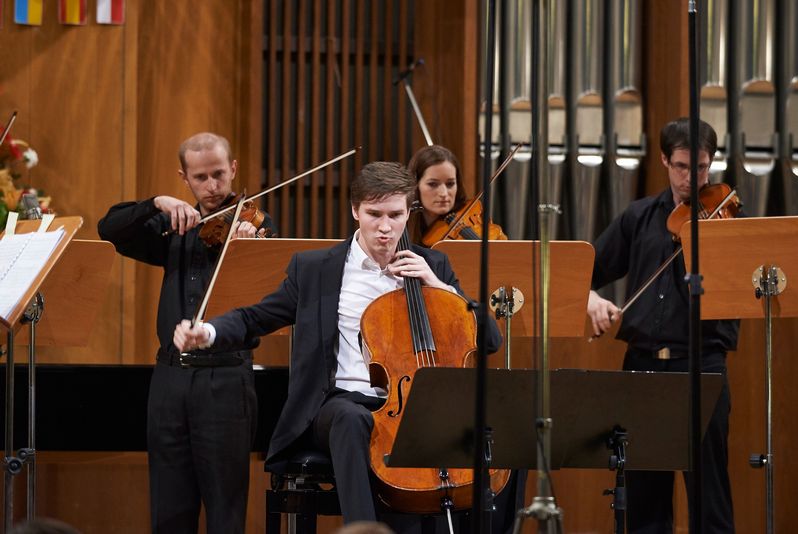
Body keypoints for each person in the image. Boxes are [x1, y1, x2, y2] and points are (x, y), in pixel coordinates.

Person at [172, 161, 503, 527]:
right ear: (354, 211)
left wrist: (438, 287)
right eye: (373, 214)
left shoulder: (433, 264)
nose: (385, 227)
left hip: (416, 407)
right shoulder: (316, 268)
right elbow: (256, 317)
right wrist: (208, 332)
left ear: (409, 212)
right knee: (352, 419)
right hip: (339, 403)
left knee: (500, 429)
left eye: (395, 215)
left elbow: (489, 340)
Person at [97, 132, 275, 534]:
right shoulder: (172, 225)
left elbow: (268, 298)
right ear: (185, 178)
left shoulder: (253, 225)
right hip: (170, 379)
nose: (212, 187)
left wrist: (246, 252)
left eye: (218, 175)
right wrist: (158, 202)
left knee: (225, 511)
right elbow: (110, 227)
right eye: (200, 178)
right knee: (169, 509)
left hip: (226, 377)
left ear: (233, 169)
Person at [587, 117, 739, 533]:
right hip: (643, 366)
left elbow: (743, 287)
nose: (693, 178)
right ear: (664, 161)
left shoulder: (725, 219)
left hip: (702, 364)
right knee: (644, 496)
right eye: (682, 167)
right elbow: (586, 269)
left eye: (703, 167)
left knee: (710, 496)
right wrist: (591, 297)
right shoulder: (639, 216)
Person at [407, 145, 507, 246]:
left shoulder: (473, 211)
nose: (444, 193)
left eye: (450, 184)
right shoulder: (401, 224)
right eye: (433, 184)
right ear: (415, 185)